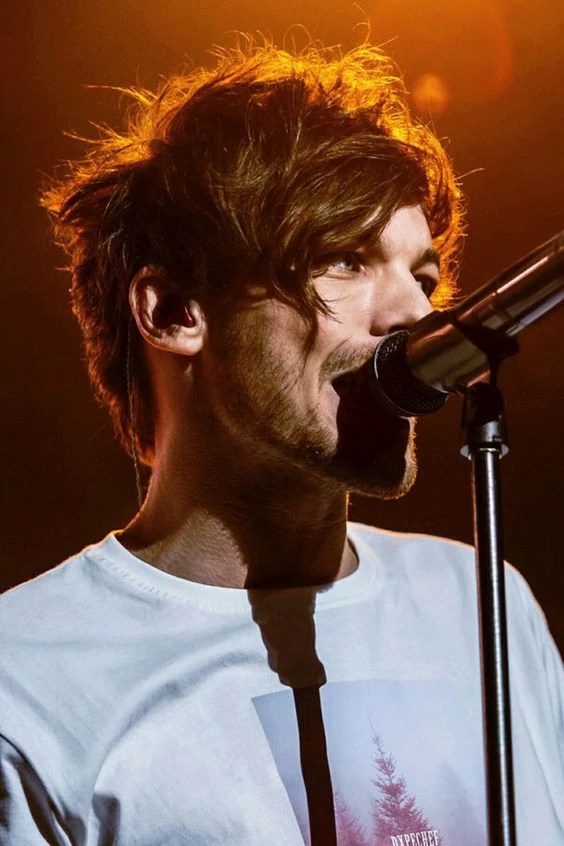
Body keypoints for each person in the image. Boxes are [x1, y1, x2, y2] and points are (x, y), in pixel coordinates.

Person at [1, 38, 562, 846]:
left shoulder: (483, 601)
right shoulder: (26, 679)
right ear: (173, 313)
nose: (416, 316)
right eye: (344, 261)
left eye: (424, 278)